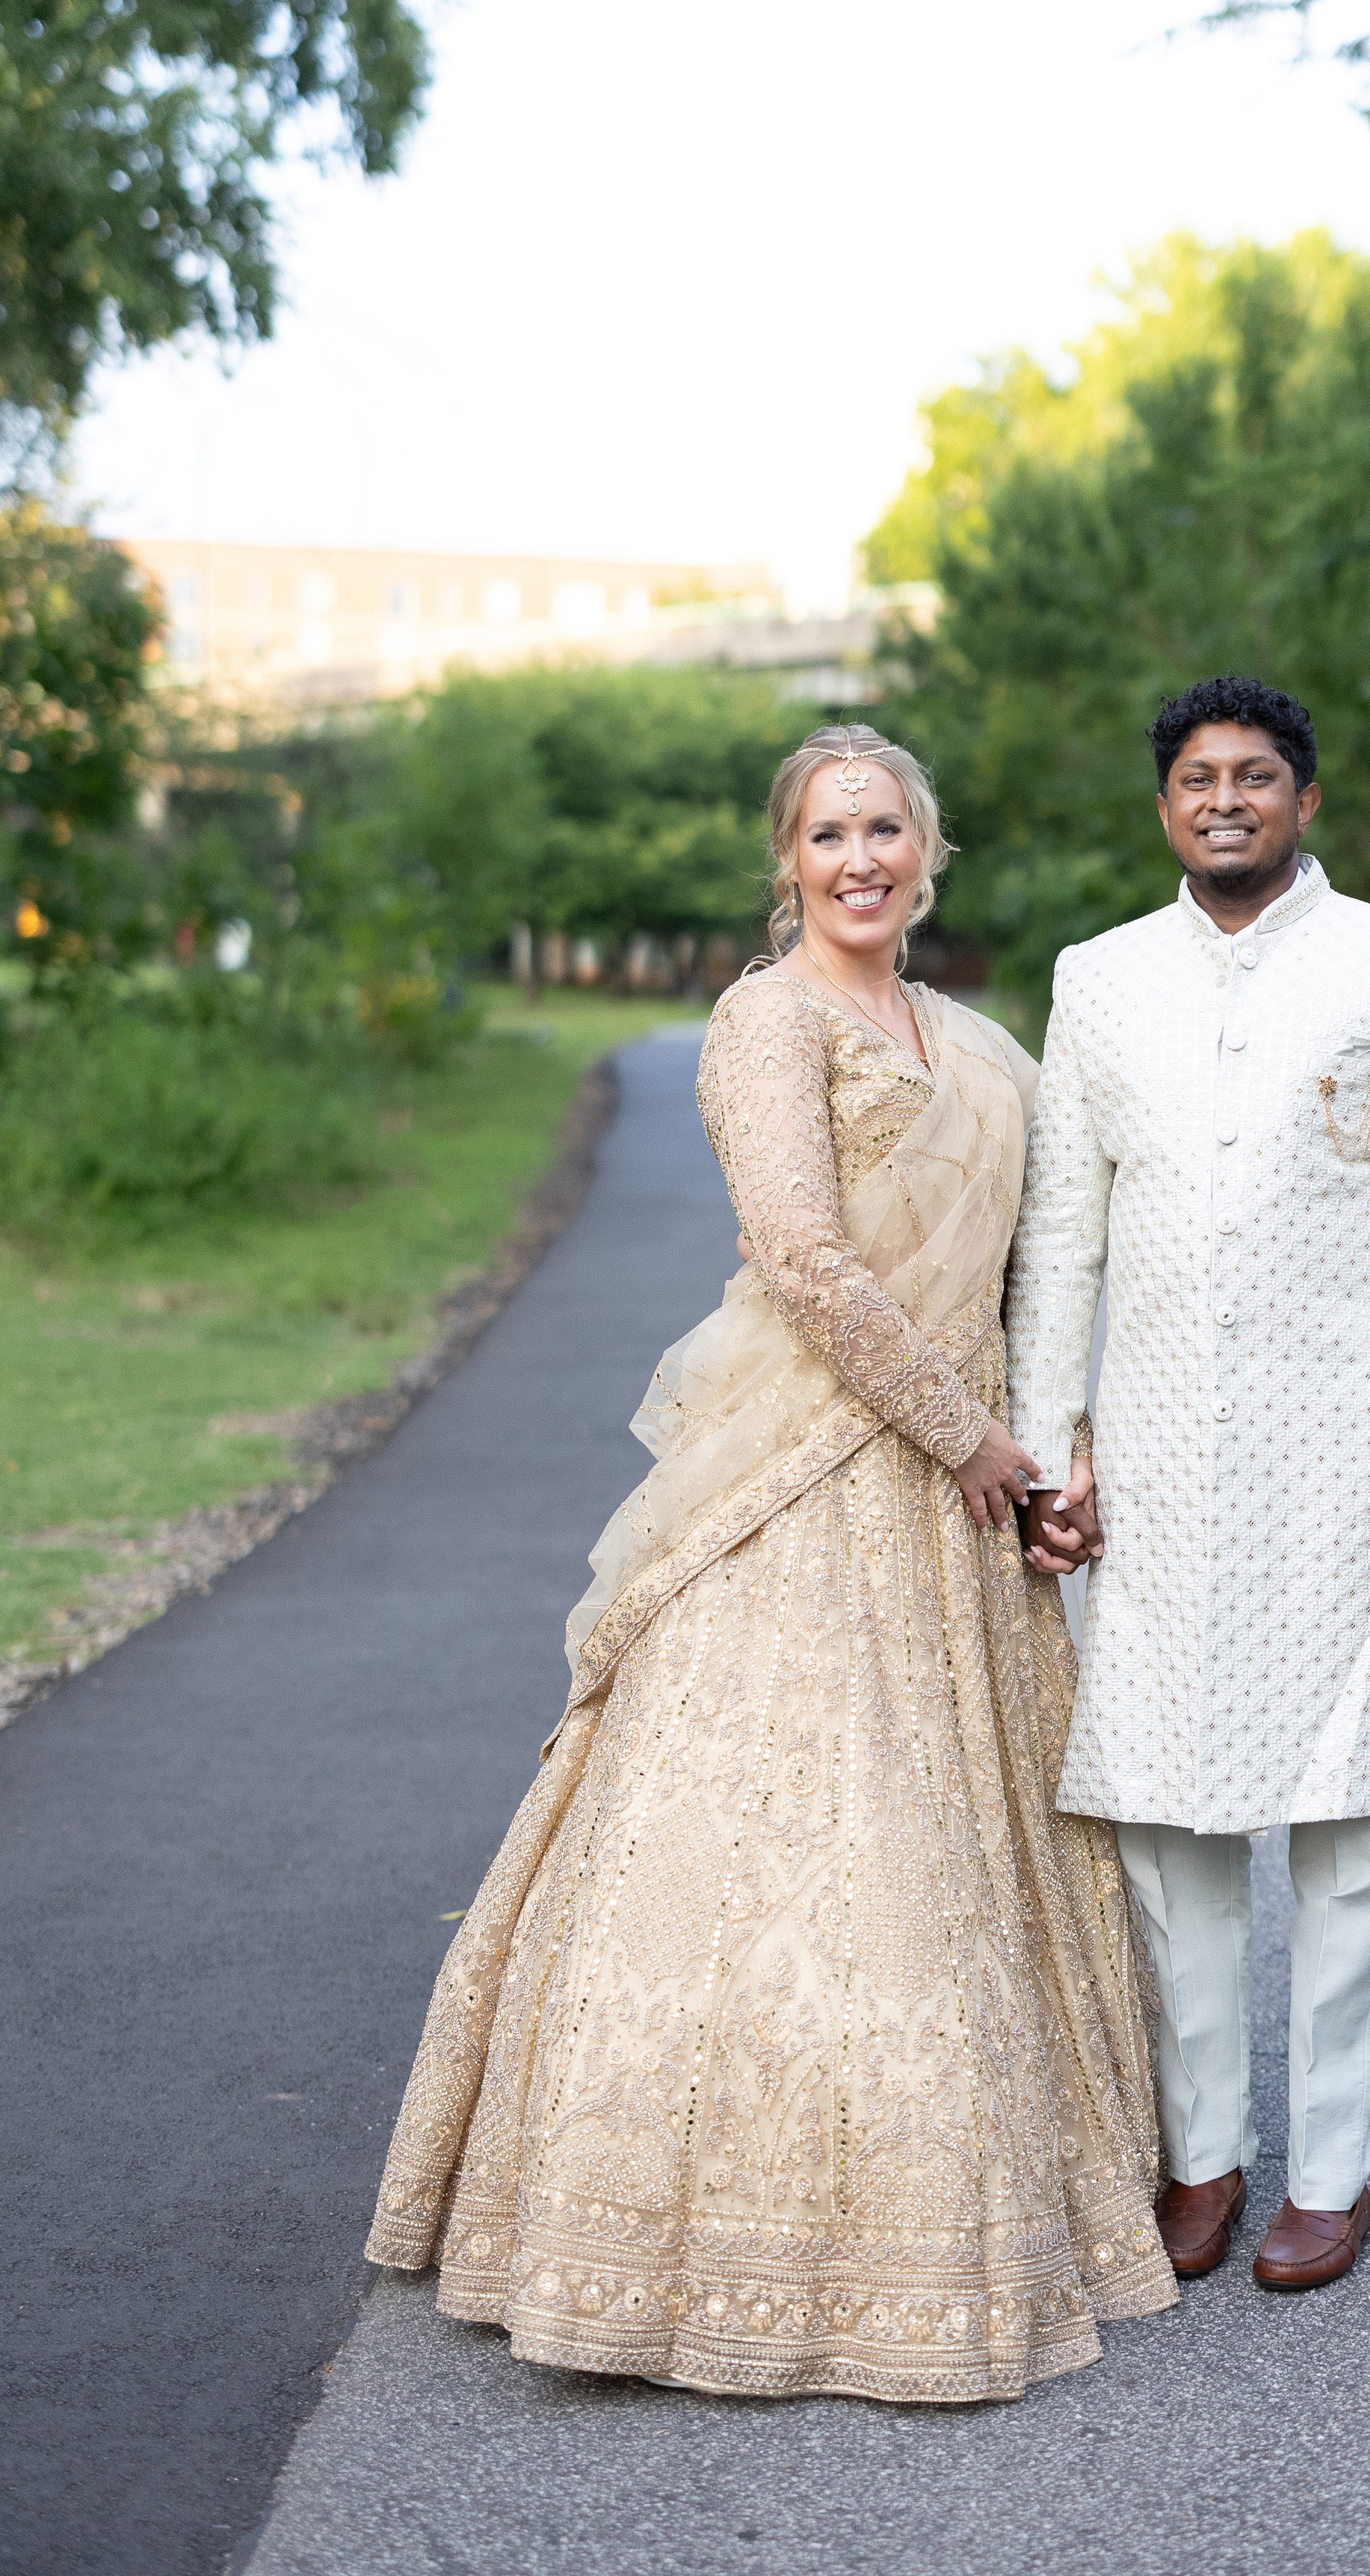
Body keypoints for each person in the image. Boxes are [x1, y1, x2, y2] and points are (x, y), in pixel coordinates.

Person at [365, 724, 1176, 2400]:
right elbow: (804, 1261)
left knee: (955, 1856)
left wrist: (1051, 1464)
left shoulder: (981, 1046)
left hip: (961, 1501)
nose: (860, 858)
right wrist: (968, 1439)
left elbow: (1042, 1275)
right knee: (777, 1853)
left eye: (885, 829)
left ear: (925, 849)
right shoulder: (763, 1020)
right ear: (788, 861)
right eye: (829, 835)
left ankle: (976, 2209)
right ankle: (669, 2236)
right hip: (805, 1482)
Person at [1005, 674, 1370, 2291]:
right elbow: (1061, 1239)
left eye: (1254, 776)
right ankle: (1203, 2158)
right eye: (1193, 779)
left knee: (1343, 1829)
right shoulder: (1096, 983)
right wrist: (1043, 1455)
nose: (1222, 799)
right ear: (1163, 808)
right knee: (1167, 1825)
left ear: (1302, 799)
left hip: (1351, 1470)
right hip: (1151, 1465)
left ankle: (1336, 2175)